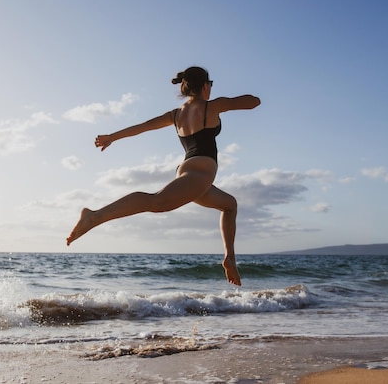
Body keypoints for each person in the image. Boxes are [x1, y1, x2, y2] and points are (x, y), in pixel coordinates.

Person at [66, 66, 260, 286]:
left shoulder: (176, 115)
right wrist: (228, 102)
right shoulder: (212, 106)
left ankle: (229, 258)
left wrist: (112, 137)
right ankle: (94, 216)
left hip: (190, 173)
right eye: (210, 85)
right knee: (156, 202)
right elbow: (254, 101)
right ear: (205, 86)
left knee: (229, 205)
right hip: (199, 173)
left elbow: (143, 127)